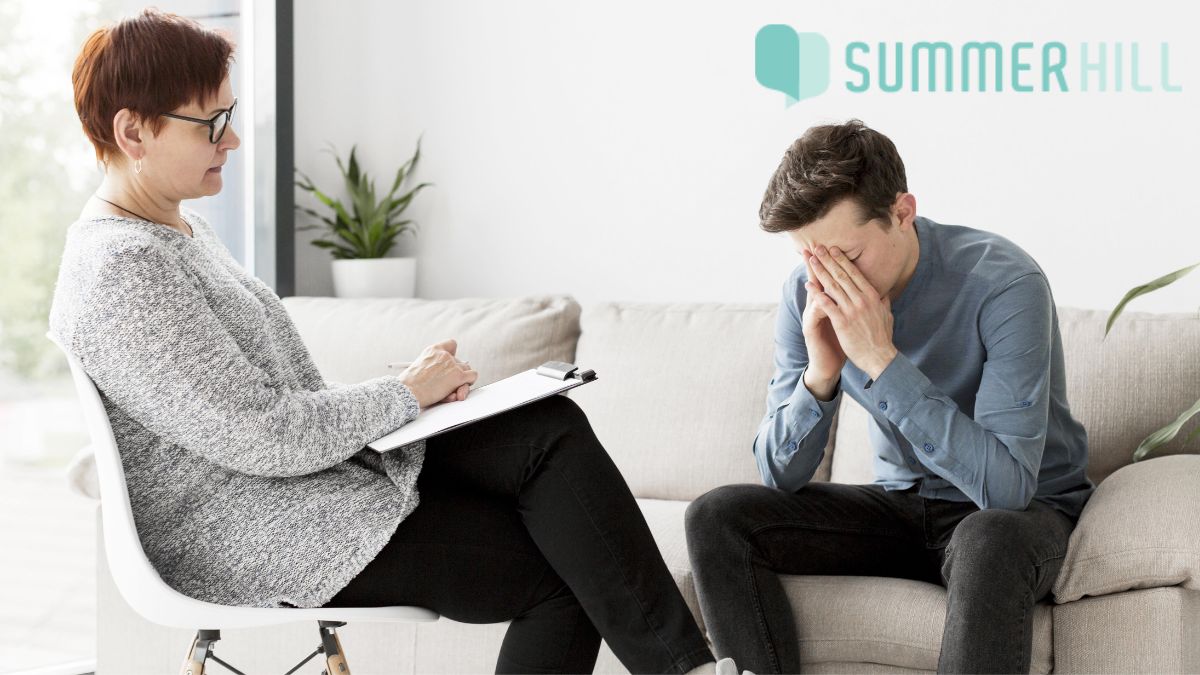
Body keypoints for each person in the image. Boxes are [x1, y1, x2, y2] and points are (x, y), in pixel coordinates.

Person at [52, 8, 748, 674]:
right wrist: (404, 393)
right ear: (134, 131)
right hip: (264, 533)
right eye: (213, 122)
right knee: (564, 575)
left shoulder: (178, 234)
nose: (232, 140)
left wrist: (412, 392)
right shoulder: (124, 271)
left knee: (547, 427)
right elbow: (262, 432)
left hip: (302, 490)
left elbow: (274, 411)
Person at [684, 119, 1096, 674]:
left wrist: (882, 361)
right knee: (717, 515)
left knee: (986, 538)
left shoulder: (1004, 284)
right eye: (812, 259)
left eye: (847, 258)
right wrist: (822, 374)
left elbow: (1007, 488)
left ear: (902, 212)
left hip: (1019, 515)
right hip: (903, 507)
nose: (829, 281)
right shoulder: (802, 295)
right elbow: (779, 475)